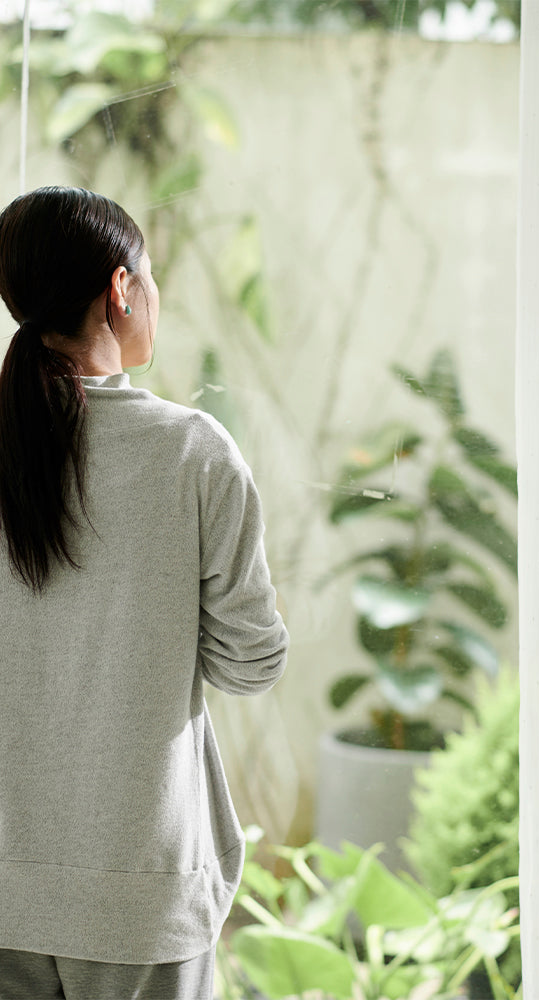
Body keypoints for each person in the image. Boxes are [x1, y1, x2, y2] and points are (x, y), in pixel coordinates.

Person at [0, 186, 289, 999]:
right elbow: (251, 663)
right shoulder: (192, 453)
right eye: (150, 279)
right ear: (121, 290)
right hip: (137, 898)